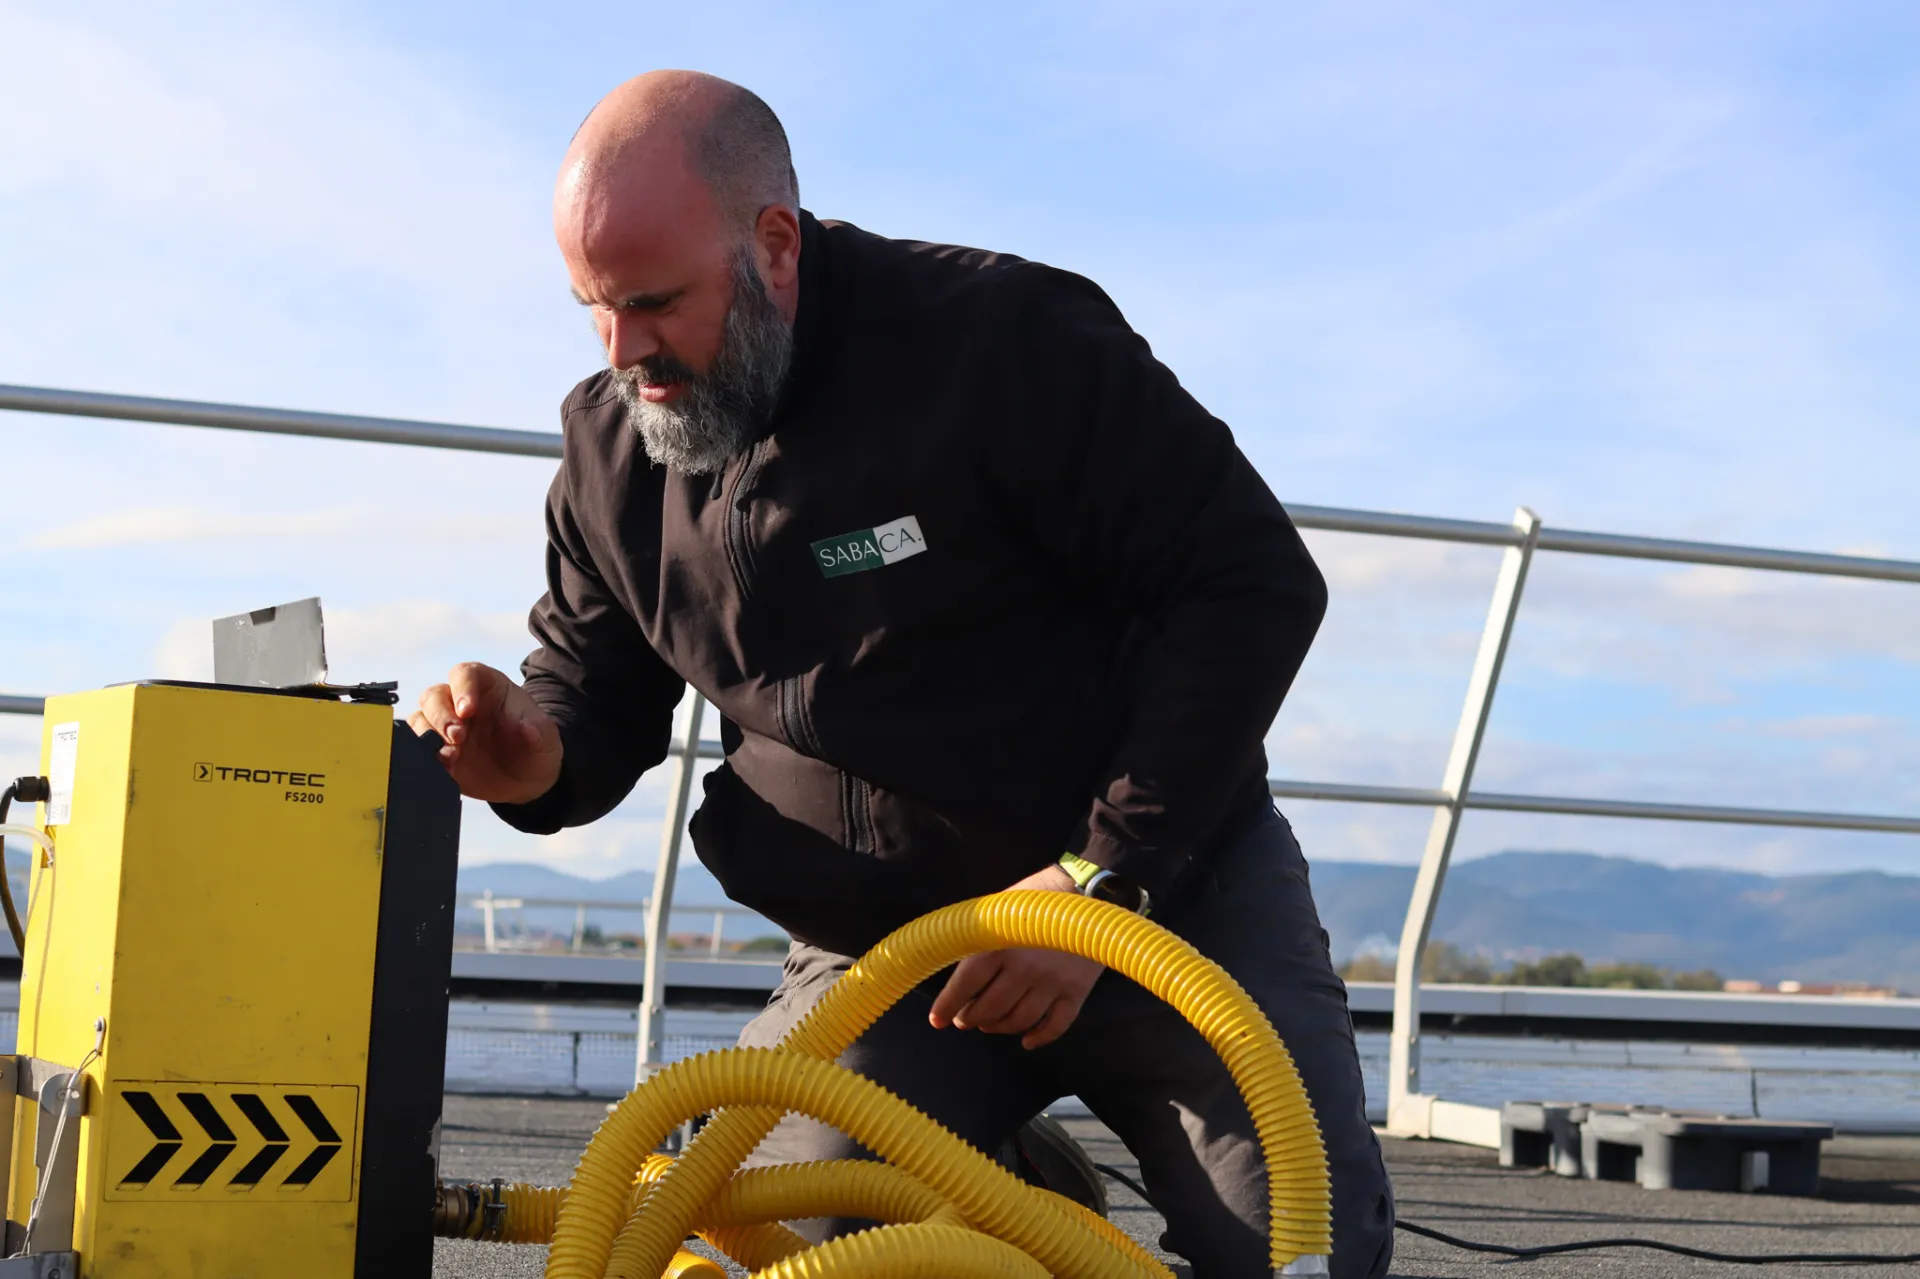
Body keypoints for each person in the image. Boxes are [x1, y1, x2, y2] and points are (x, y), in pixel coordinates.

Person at [410, 69, 1394, 1278]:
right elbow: (593, 689)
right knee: (748, 1246)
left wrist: (1096, 883)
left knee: (1311, 1253)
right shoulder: (613, 453)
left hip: (1157, 899)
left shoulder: (1003, 342)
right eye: (594, 309)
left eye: (656, 303)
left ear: (775, 245)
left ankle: (991, 1184)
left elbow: (1250, 583)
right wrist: (532, 750)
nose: (626, 353)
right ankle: (1005, 1193)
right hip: (888, 957)